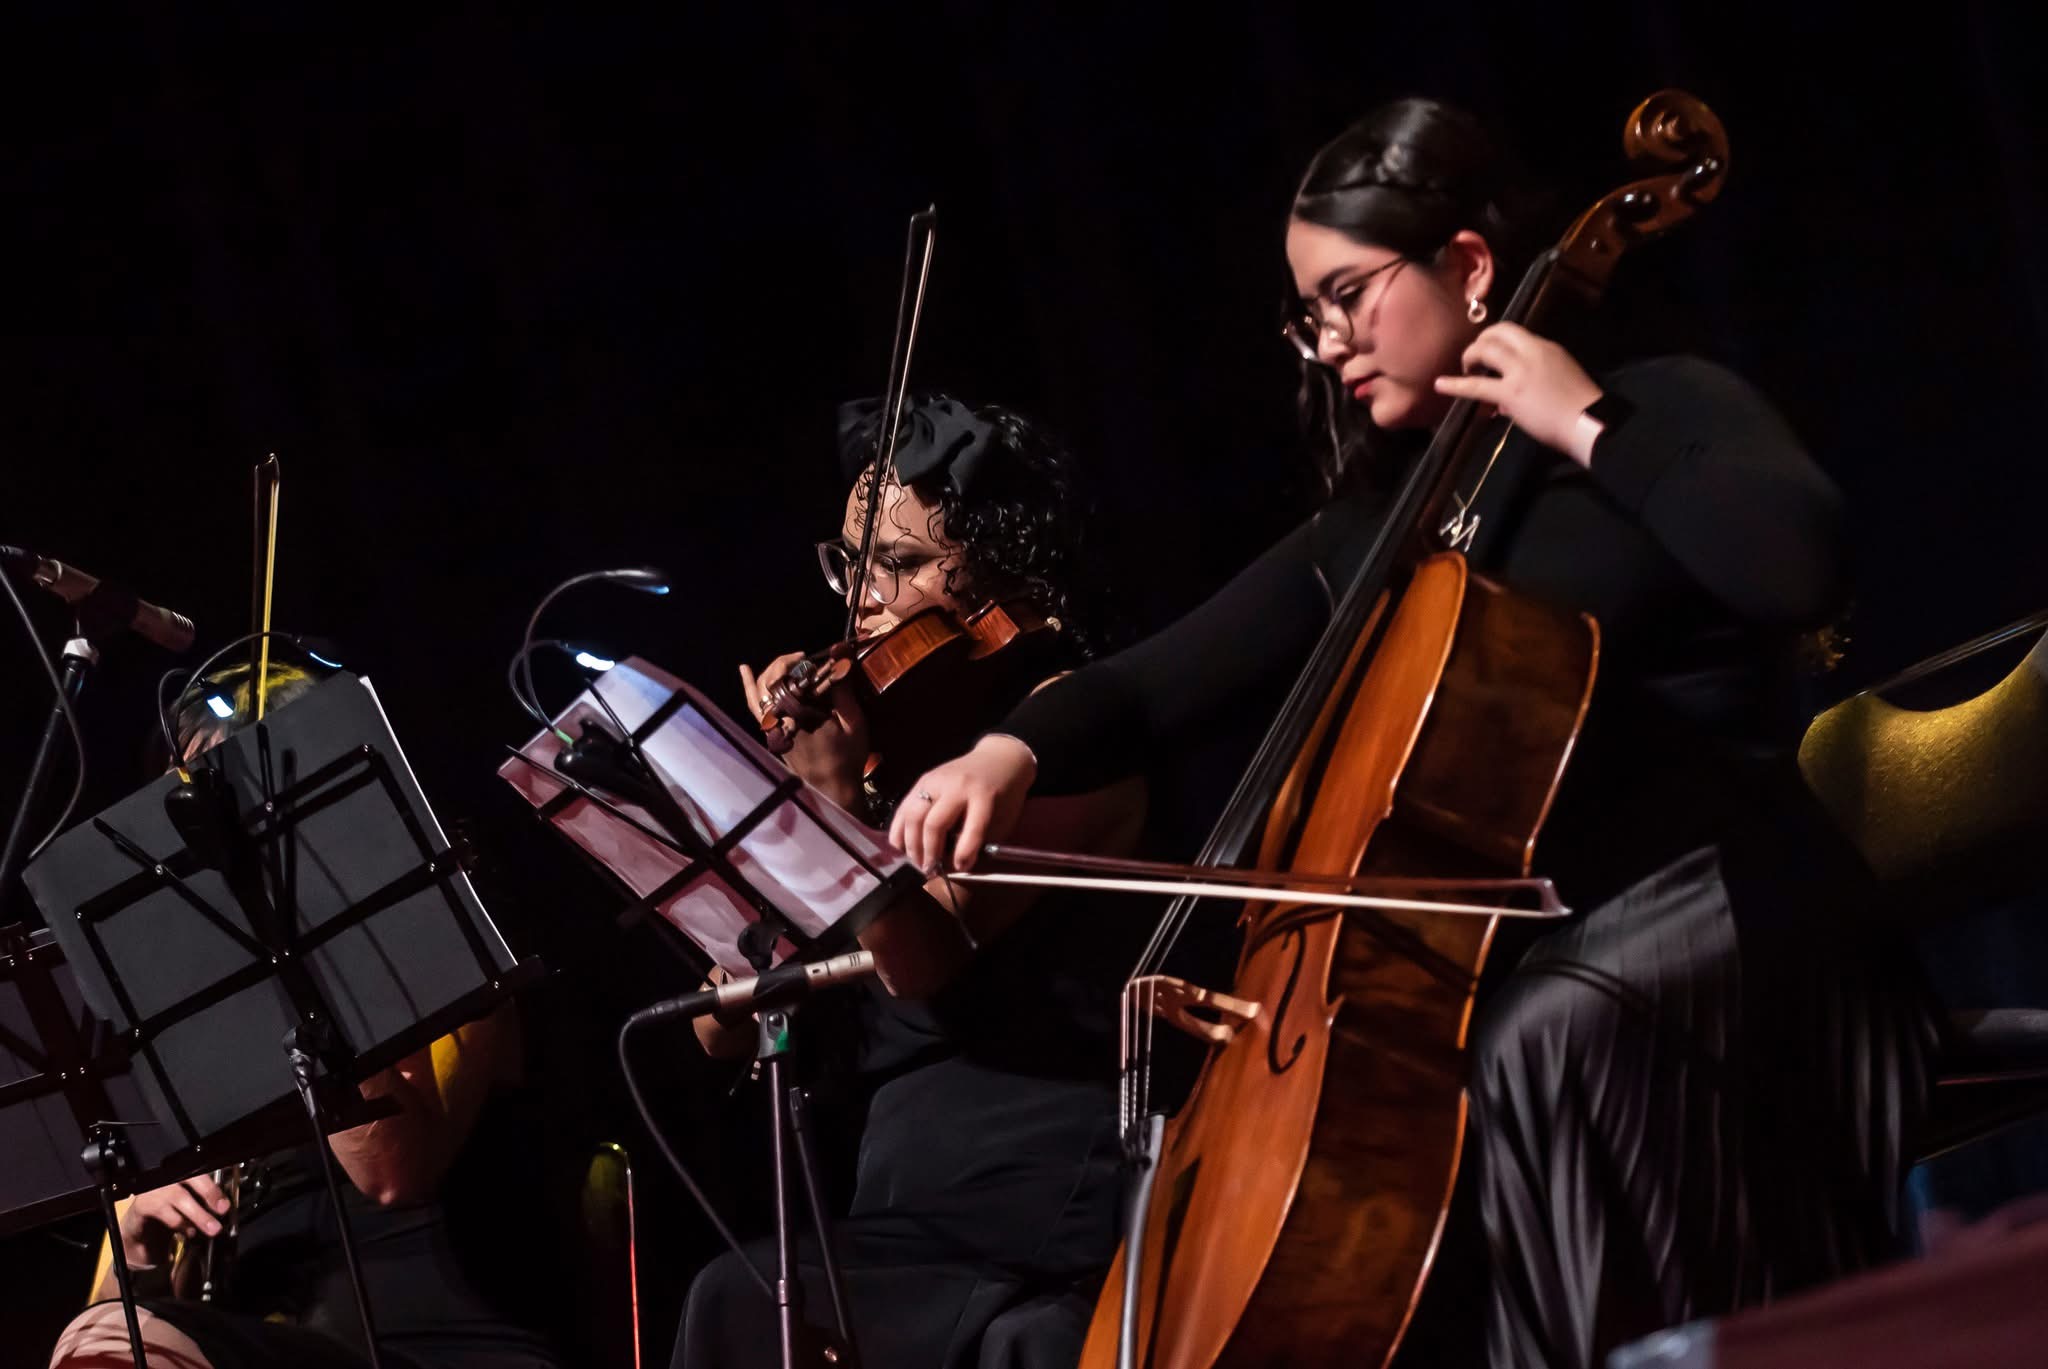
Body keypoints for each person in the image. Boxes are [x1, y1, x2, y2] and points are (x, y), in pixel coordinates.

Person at [890, 100, 1942, 1369]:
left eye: (1347, 295)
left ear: (1467, 267)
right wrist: (1008, 752)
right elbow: (1154, 684)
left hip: (1722, 921)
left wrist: (1583, 421)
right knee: (1466, 1078)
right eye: (1306, 313)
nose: (1325, 340)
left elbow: (1799, 565)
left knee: (1537, 1042)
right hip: (1549, 968)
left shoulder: (1655, 405)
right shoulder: (1380, 528)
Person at [672, 395, 1148, 1369]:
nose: (861, 602)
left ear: (998, 563)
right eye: (848, 563)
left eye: (895, 564)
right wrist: (764, 816)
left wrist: (829, 796)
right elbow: (716, 1027)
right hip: (902, 1198)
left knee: (739, 1302)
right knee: (751, 1296)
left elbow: (921, 957)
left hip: (1033, 1179)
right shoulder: (905, 741)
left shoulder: (1060, 724)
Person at [49, 661, 562, 1369]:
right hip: (253, 1343)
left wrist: (299, 958)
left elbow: (392, 1171)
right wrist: (135, 1232)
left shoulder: (436, 933)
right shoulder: (179, 1023)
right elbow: (100, 1325)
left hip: (428, 1338)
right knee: (103, 1340)